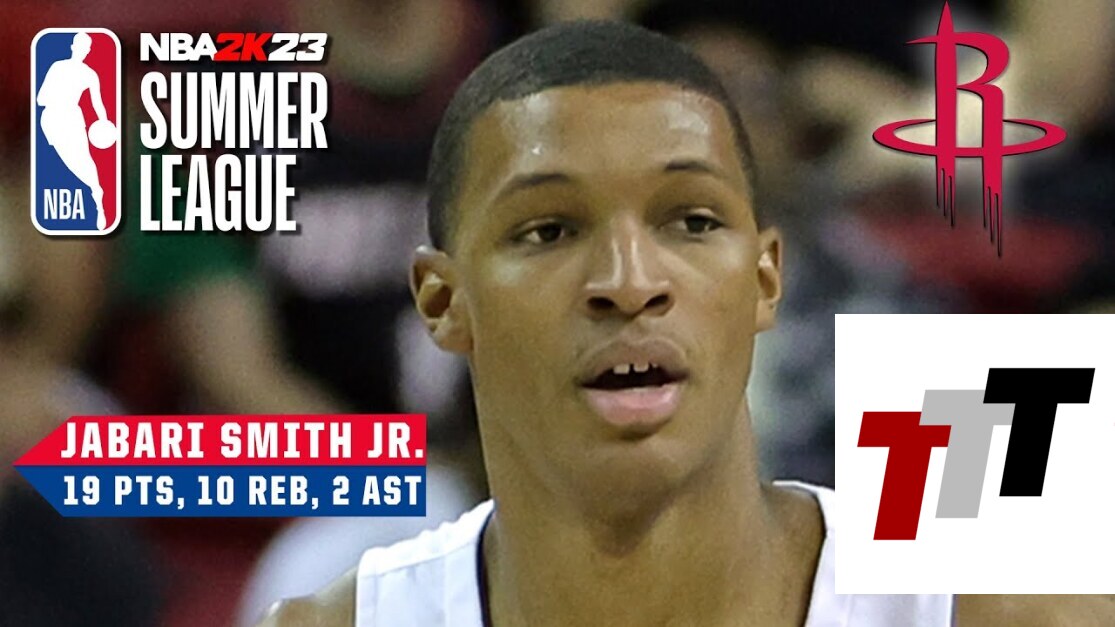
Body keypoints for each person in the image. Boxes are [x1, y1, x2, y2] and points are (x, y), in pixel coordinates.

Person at [258, 20, 1114, 626]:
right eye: (548, 230)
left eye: (691, 220)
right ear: (442, 301)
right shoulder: (331, 621)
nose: (628, 283)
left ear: (766, 278)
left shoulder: (1006, 601)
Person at [36, 31, 111, 231]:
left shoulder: (90, 74)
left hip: (73, 119)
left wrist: (103, 122)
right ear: (73, 47)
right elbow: (40, 98)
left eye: (86, 48)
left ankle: (98, 197)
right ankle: (95, 193)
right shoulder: (57, 67)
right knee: (65, 162)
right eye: (80, 46)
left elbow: (98, 103)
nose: (82, 51)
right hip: (51, 119)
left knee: (84, 160)